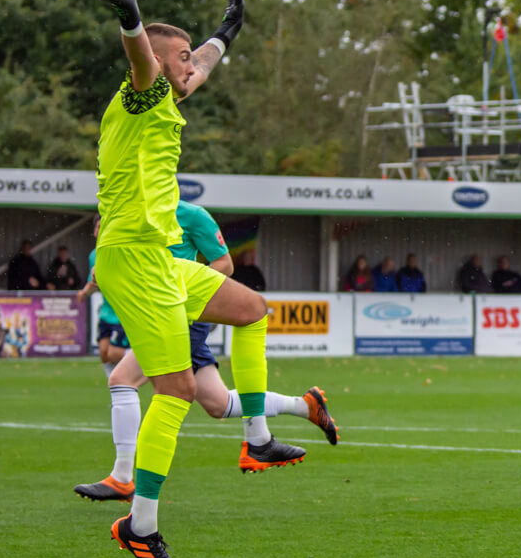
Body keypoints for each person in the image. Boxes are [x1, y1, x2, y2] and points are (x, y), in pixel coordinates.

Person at [91, 0, 306, 558]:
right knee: (178, 391)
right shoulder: (142, 93)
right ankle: (142, 525)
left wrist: (224, 35)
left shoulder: (168, 95)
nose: (193, 65)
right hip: (134, 259)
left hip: (160, 259)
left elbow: (197, 69)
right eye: (182, 56)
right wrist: (132, 20)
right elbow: (142, 59)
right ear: (161, 66)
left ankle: (259, 435)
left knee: (251, 309)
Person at [74, 201, 338, 503]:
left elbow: (224, 264)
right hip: (160, 313)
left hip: (185, 314)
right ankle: (305, 406)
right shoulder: (134, 213)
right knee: (218, 404)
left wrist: (186, 291)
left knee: (122, 379)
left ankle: (123, 479)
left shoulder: (192, 215)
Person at [76, 215, 130, 376]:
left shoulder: (121, 251)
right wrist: (84, 293)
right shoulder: (94, 255)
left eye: (102, 227)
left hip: (123, 313)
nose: (99, 230)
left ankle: (143, 364)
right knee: (104, 355)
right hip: (107, 312)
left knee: (114, 354)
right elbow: (94, 282)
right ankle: (116, 397)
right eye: (97, 227)